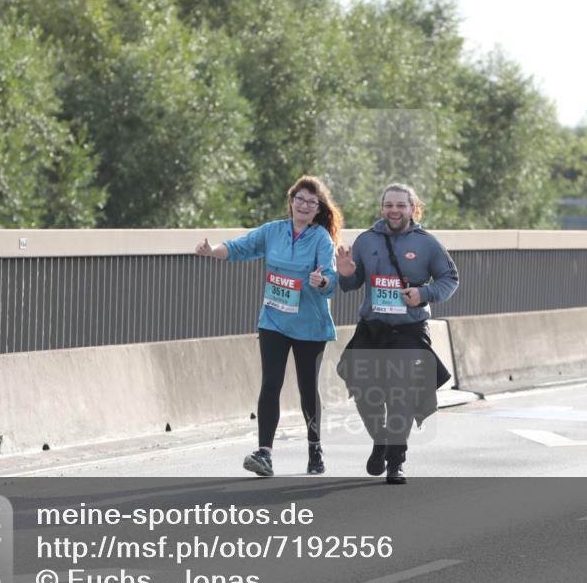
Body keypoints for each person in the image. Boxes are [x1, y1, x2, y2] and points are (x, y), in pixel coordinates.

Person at [195, 176, 342, 475]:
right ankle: (264, 454)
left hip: (309, 325)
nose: (303, 205)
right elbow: (239, 248)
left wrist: (321, 280)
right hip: (274, 320)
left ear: (317, 210)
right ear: (290, 201)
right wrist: (213, 251)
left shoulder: (321, 239)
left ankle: (315, 447)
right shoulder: (273, 231)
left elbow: (330, 280)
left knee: (306, 388)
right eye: (299, 199)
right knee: (270, 383)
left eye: (310, 202)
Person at [335, 183, 459, 483]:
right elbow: (351, 286)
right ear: (382, 208)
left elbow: (450, 278)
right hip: (372, 328)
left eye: (400, 205)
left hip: (408, 330)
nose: (394, 210)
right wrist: (346, 273)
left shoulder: (427, 244)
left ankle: (395, 461)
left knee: (399, 396)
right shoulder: (366, 240)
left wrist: (424, 293)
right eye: (389, 205)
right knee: (363, 391)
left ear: (412, 209)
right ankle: (381, 439)